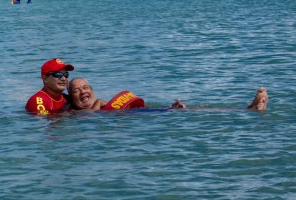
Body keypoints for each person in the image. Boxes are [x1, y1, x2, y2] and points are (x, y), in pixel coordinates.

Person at [68, 77, 269, 111]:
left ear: (92, 90)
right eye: (76, 90)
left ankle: (247, 109)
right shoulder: (80, 114)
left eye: (85, 87)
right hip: (135, 121)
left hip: (142, 114)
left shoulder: (103, 103)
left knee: (189, 110)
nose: (83, 92)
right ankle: (249, 109)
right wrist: (96, 107)